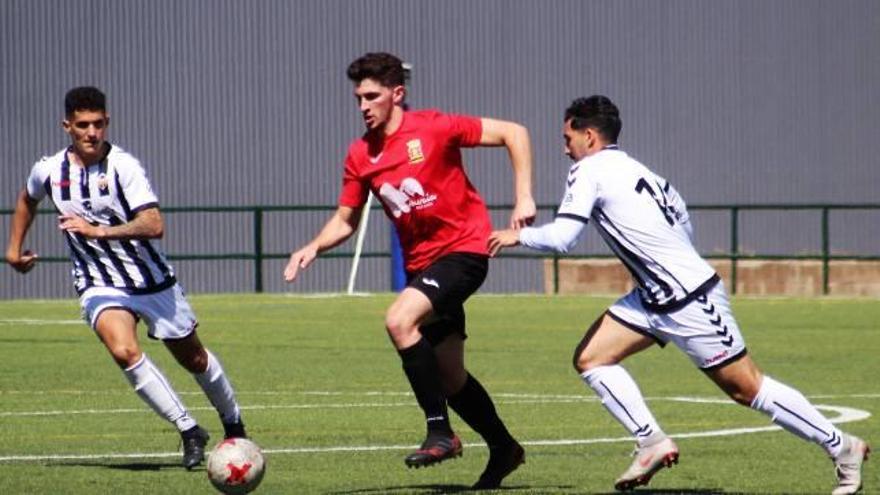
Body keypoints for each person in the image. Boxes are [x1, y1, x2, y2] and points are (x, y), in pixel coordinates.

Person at [489, 95, 870, 494]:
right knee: (591, 358)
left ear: (589, 136)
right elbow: (681, 217)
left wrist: (518, 235)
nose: (563, 146)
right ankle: (651, 442)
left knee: (748, 388)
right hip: (655, 297)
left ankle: (841, 446)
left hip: (689, 300)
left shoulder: (589, 170)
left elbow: (565, 238)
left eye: (567, 137)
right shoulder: (642, 171)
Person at [284, 52, 536, 489]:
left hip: (465, 252)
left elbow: (515, 133)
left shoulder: (435, 127)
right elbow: (346, 219)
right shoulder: (360, 154)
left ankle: (440, 431)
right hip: (424, 266)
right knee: (451, 377)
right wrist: (313, 247)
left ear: (397, 94)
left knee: (399, 320)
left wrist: (524, 197)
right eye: (358, 98)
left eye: (372, 96)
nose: (363, 106)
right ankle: (504, 447)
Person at [5, 87, 248, 470]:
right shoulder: (50, 170)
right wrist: (13, 249)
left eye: (98, 124)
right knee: (123, 350)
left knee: (195, 358)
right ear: (66, 126)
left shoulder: (124, 167)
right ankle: (189, 430)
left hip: (152, 281)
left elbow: (154, 224)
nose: (91, 132)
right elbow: (27, 197)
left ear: (107, 123)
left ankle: (234, 425)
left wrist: (98, 231)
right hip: (98, 283)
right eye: (82, 125)